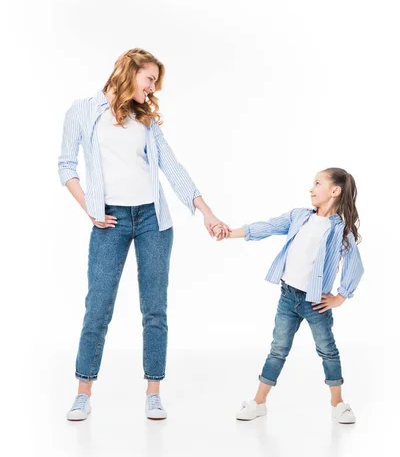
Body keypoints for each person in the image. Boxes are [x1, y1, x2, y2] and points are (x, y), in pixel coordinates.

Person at [58, 48, 230, 421]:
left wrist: (207, 213)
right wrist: (89, 205)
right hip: (110, 221)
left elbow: (172, 166)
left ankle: (154, 392)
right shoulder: (83, 110)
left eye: (155, 82)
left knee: (154, 309)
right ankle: (82, 392)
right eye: (150, 79)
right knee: (98, 307)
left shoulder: (147, 120)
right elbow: (66, 165)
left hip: (153, 220)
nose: (153, 89)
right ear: (130, 72)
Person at [213, 168, 364, 423]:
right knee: (278, 349)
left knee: (327, 350)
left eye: (317, 183)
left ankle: (338, 403)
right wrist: (230, 232)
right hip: (288, 297)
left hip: (316, 303)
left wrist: (341, 297)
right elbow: (268, 227)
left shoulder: (341, 230)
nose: (311, 188)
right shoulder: (299, 217)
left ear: (335, 191)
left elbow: (355, 266)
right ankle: (259, 403)